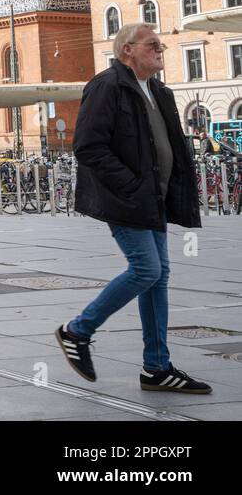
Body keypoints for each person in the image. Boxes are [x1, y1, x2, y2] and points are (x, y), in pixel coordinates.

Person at [56, 23, 211, 395]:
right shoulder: (107, 86)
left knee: (158, 276)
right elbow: (89, 146)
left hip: (153, 199)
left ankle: (156, 368)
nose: (160, 49)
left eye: (161, 45)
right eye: (153, 44)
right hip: (127, 199)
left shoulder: (157, 90)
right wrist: (132, 185)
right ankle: (77, 330)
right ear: (128, 49)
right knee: (146, 270)